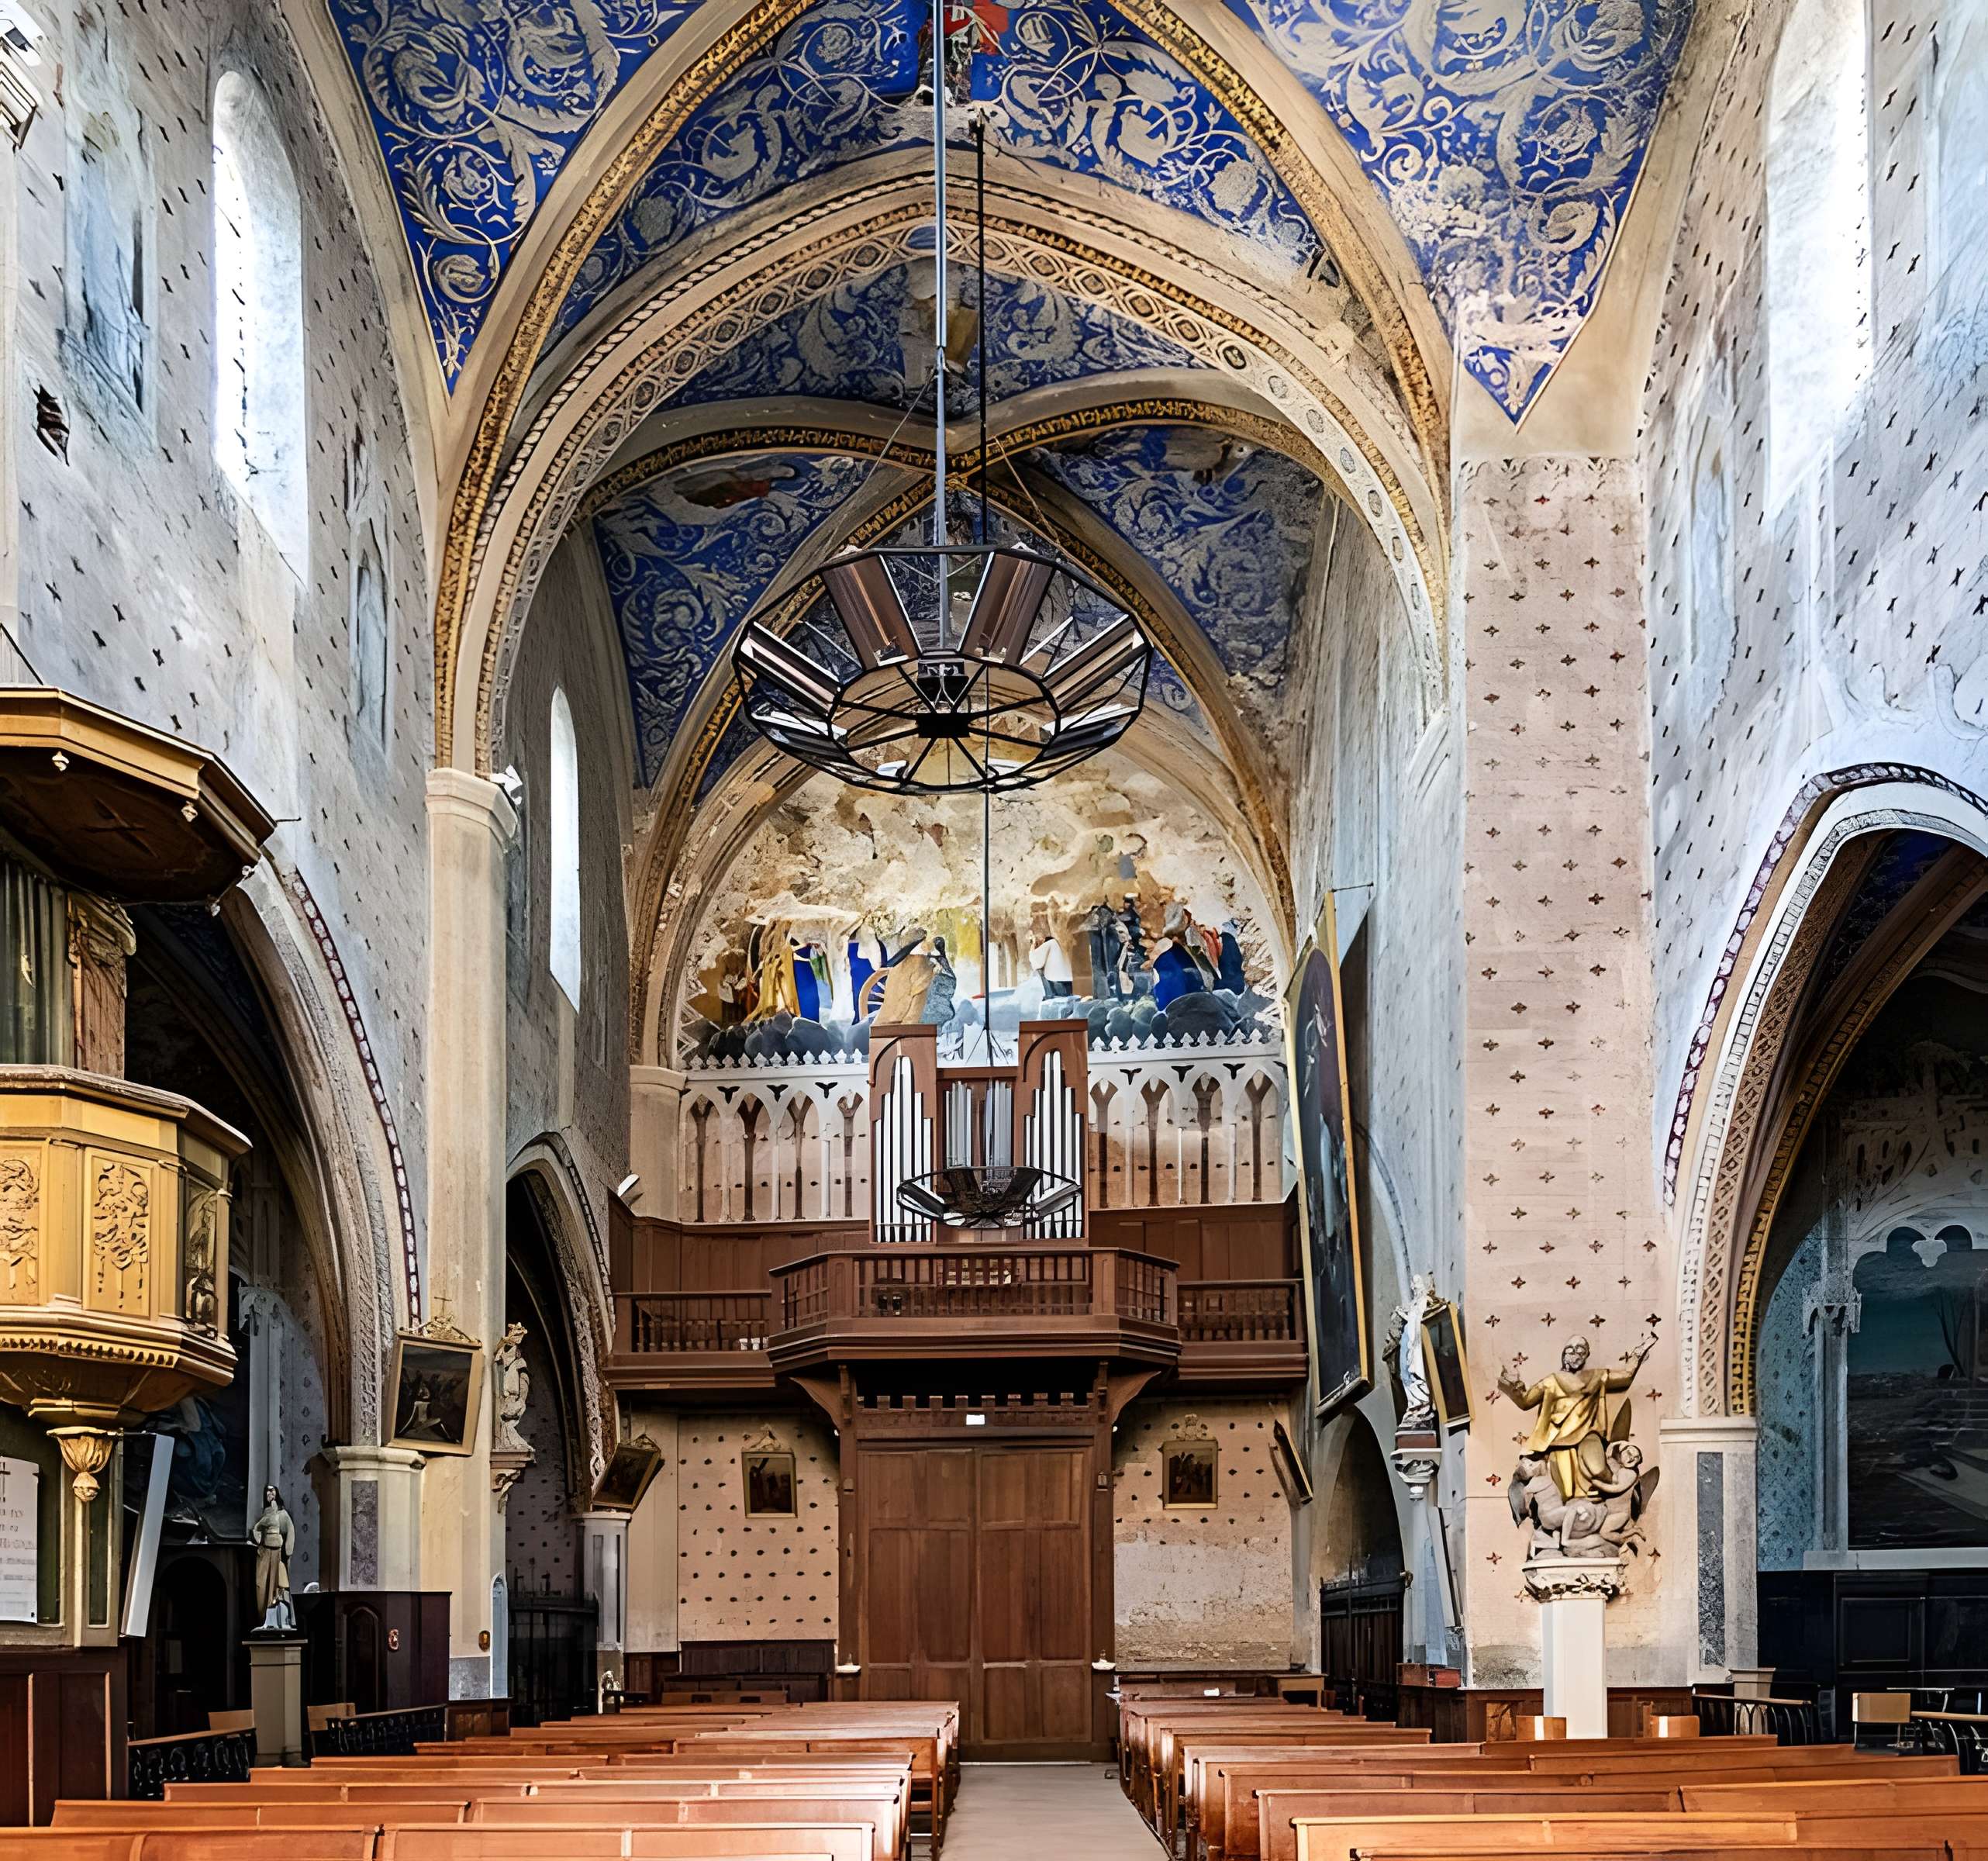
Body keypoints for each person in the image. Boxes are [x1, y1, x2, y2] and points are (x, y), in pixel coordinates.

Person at [1498, 1334, 1655, 1501]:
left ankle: (1624, 1494)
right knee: (1565, 1494)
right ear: (1564, 1355)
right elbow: (1525, 1401)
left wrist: (1639, 1353)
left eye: (1581, 1351)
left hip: (1589, 1436)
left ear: (1586, 1355)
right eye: (1571, 1350)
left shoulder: (1597, 1376)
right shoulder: (1551, 1381)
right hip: (1559, 1441)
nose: (1576, 1354)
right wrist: (1509, 1382)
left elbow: (1626, 1377)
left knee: (1599, 1471)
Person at [252, 1484, 295, 1631]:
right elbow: (257, 1528)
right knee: (261, 1584)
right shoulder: (264, 1513)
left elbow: (290, 1530)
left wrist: (288, 1550)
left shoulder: (282, 1513)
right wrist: (259, 1540)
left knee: (277, 1586)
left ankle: (276, 1618)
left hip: (277, 1553)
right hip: (265, 1552)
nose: (270, 1493)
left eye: (273, 1490)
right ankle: (263, 1615)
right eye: (268, 1490)